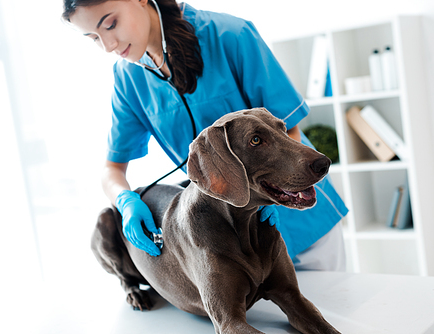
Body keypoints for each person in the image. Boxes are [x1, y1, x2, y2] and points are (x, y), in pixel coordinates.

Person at [62, 0, 349, 270]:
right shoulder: (128, 80)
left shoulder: (231, 35)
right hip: (231, 238)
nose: (109, 45)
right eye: (94, 38)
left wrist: (277, 194)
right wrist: (125, 202)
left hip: (299, 215)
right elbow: (112, 169)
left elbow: (289, 126)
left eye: (111, 24)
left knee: (330, 316)